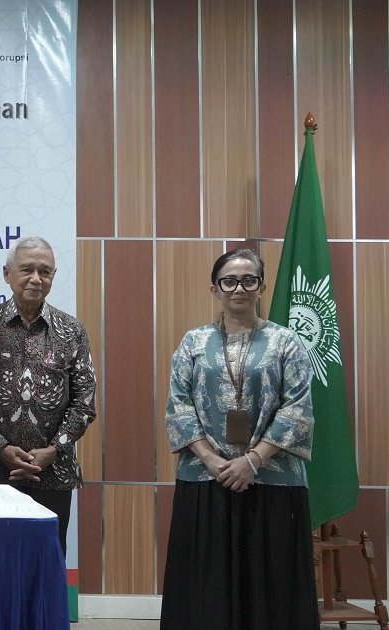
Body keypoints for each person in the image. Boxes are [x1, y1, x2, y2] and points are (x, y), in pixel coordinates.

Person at [160, 248, 317, 629]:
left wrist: (252, 460)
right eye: (229, 281)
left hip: (272, 478)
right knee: (206, 583)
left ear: (261, 287)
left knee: (271, 581)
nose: (239, 288)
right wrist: (212, 460)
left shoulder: (286, 341)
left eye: (249, 280)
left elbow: (298, 410)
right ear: (214, 288)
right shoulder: (194, 342)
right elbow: (178, 406)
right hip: (206, 477)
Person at [0, 236, 96, 554]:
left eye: (44, 271)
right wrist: (0, 448)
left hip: (53, 472)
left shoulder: (72, 330)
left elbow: (84, 401)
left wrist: (53, 450)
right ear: (7, 274)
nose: (36, 278)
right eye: (27, 270)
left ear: (53, 276)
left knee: (45, 560)